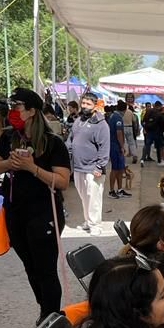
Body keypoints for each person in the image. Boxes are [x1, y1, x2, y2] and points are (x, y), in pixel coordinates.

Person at [0, 88, 71, 328]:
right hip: (15, 211)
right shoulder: (10, 137)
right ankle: (46, 314)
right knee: (30, 267)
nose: (12, 111)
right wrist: (9, 163)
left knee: (45, 268)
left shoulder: (53, 143)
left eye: (17, 106)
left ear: (32, 111)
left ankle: (52, 321)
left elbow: (62, 181)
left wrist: (32, 168)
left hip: (44, 212)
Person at [66, 93, 110, 234]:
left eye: (88, 104)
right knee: (84, 197)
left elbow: (104, 147)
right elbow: (71, 139)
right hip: (78, 166)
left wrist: (99, 166)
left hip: (93, 168)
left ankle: (95, 225)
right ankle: (88, 221)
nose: (85, 106)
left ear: (95, 106)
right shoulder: (78, 120)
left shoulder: (101, 124)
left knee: (94, 198)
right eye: (83, 103)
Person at [107, 101, 130, 200]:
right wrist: (122, 146)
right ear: (124, 110)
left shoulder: (113, 116)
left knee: (120, 169)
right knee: (115, 169)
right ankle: (111, 190)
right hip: (115, 146)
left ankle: (120, 189)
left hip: (114, 145)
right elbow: (119, 133)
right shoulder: (118, 118)